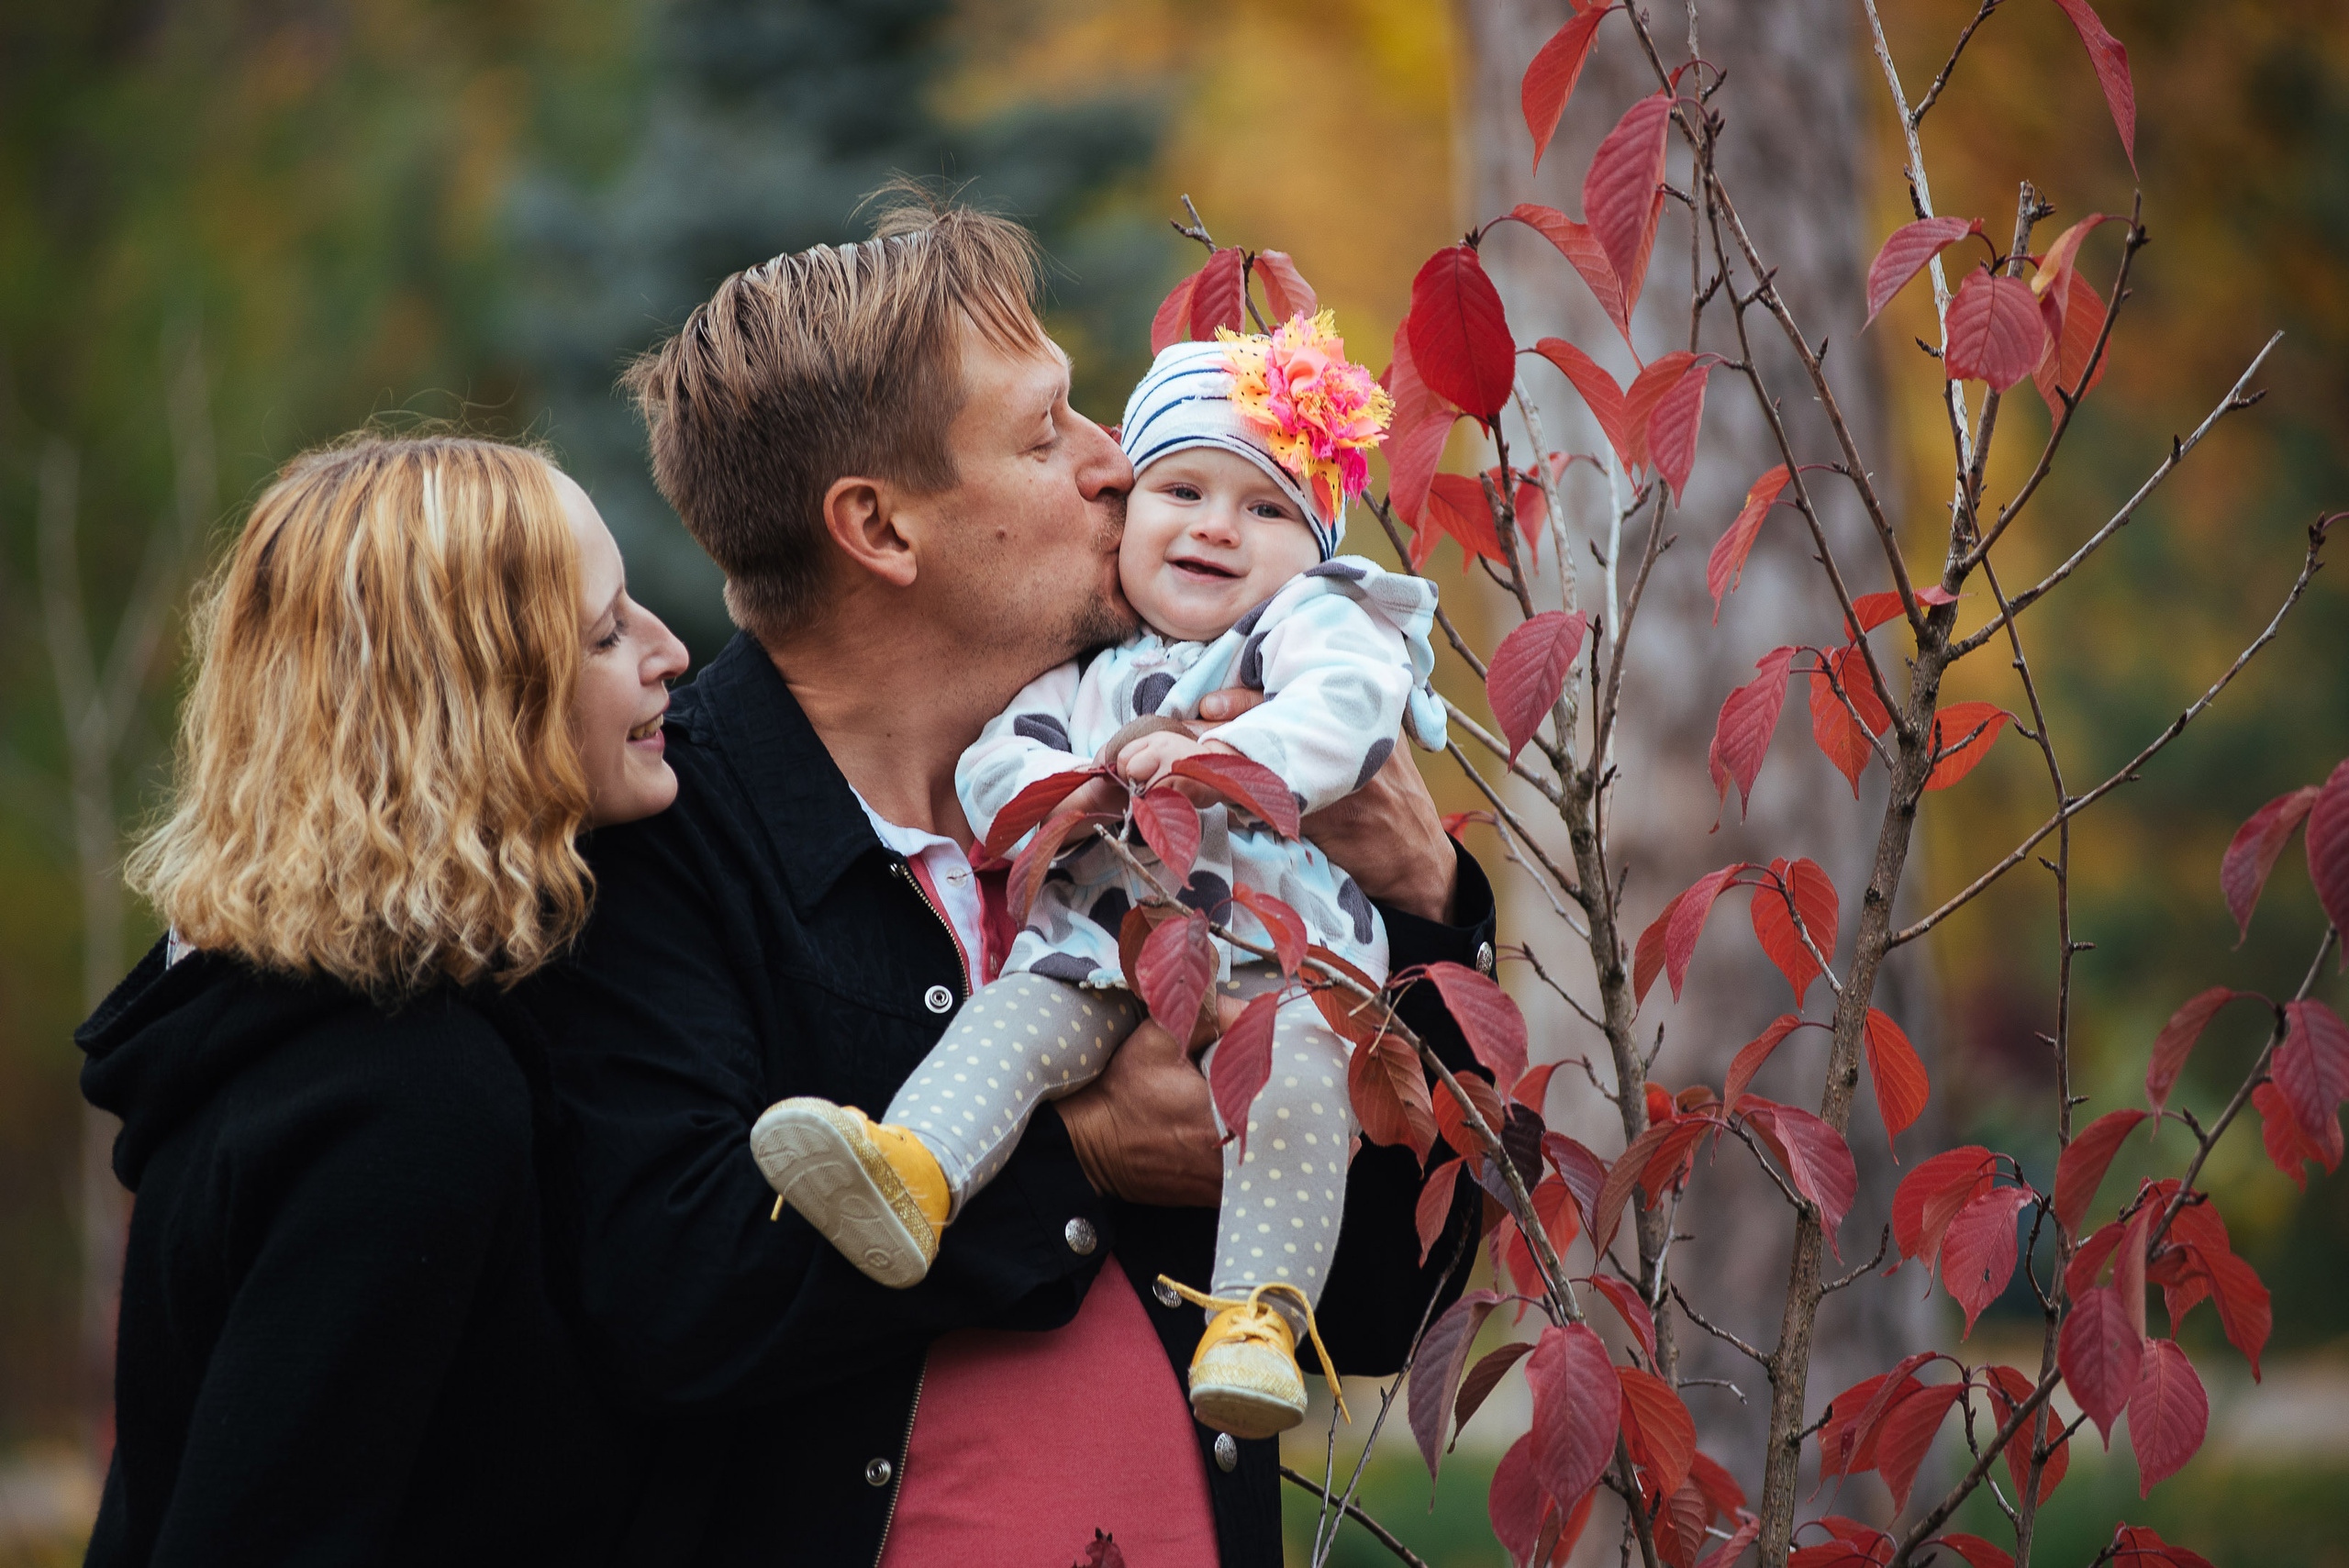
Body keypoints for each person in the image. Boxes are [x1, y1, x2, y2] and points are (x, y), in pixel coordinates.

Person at [519, 193, 1497, 1568]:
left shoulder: (1192, 781)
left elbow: (1393, 1298)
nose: (1120, 463)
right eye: (1049, 434)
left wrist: (1426, 908)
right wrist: (1078, 1153)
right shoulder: (664, 839)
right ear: (880, 527)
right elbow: (667, 1299)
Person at [753, 317, 1447, 1442]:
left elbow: (1348, 716)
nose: (1218, 527)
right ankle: (914, 1167)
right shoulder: (1087, 669)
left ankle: (1255, 1321)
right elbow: (998, 763)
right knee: (1014, 1021)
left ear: (1313, 543)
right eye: (1179, 490)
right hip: (1108, 936)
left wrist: (1222, 761)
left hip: (1282, 963)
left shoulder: (1311, 621)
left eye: (1267, 509)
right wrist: (1076, 786)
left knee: (1296, 1090)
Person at [75, 435, 689, 1565]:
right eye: (604, 633)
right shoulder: (407, 1096)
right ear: (467, 708)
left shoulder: (282, 1029)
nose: (670, 650)